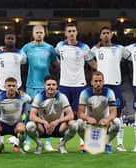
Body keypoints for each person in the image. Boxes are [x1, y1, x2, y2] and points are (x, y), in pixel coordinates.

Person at [55, 23, 97, 151]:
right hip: (64, 85)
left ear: (77, 32)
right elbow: (53, 57)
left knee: (80, 115)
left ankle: (83, 143)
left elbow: (93, 64)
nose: (72, 33)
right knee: (64, 115)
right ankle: (62, 144)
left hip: (80, 85)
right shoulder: (59, 46)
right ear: (65, 33)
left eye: (73, 31)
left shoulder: (84, 47)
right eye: (69, 31)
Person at [21, 25, 59, 152]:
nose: (39, 34)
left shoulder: (49, 48)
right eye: (36, 32)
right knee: (28, 115)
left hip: (46, 87)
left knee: (46, 115)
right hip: (31, 86)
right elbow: (16, 58)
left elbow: (57, 64)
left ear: (44, 34)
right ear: (33, 34)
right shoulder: (26, 48)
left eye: (41, 32)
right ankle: (27, 141)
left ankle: (47, 142)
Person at [91, 26, 127, 151]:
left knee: (118, 114)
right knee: (101, 114)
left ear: (111, 35)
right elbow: (87, 57)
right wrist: (96, 66)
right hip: (102, 86)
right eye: (103, 33)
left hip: (115, 85)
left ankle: (119, 143)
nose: (106, 35)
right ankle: (101, 142)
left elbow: (131, 55)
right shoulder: (96, 49)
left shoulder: (119, 49)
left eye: (108, 33)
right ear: (100, 36)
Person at [26, 75, 77, 154]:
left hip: (59, 127)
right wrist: (44, 122)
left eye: (53, 85)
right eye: (48, 85)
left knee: (74, 124)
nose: (51, 87)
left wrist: (57, 121)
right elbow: (32, 116)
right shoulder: (39, 97)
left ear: (57, 86)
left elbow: (71, 115)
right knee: (29, 125)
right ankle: (39, 144)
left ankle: (62, 144)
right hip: (43, 128)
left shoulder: (62, 97)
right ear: (44, 86)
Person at [0, 31, 27, 152]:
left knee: (19, 112)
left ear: (15, 40)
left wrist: (21, 86)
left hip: (17, 86)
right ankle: (0, 141)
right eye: (8, 38)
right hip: (0, 85)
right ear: (4, 40)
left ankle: (17, 140)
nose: (10, 40)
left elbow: (24, 66)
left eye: (12, 38)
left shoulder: (21, 53)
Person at [77, 71, 120, 154]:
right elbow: (80, 113)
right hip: (89, 121)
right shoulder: (84, 93)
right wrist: (88, 118)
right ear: (91, 82)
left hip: (104, 120)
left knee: (117, 122)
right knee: (78, 123)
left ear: (103, 82)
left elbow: (114, 112)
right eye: (96, 81)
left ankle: (107, 144)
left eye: (100, 81)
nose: (98, 83)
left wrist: (107, 120)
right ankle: (86, 144)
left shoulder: (109, 92)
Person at [0, 77, 32, 153]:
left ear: (17, 87)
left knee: (22, 129)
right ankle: (0, 145)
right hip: (3, 124)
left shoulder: (22, 97)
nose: (11, 88)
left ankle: (21, 146)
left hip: (16, 124)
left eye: (13, 86)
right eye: (9, 86)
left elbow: (32, 101)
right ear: (4, 87)